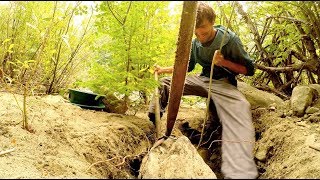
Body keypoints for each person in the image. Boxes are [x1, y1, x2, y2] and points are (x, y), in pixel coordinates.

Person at [147, 2, 258, 179]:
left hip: (223, 83)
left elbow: (249, 70)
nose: (200, 37)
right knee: (165, 83)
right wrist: (163, 70)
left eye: (204, 32)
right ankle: (155, 124)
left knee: (226, 120)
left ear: (213, 22)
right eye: (196, 33)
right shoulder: (194, 43)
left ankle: (231, 161)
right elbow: (185, 67)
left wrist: (224, 62)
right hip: (203, 79)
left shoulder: (229, 40)